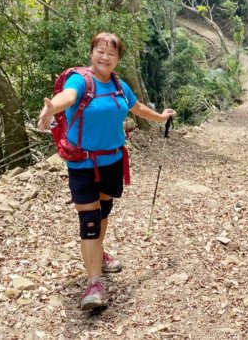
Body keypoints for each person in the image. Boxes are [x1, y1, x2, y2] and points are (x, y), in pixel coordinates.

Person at [37, 32, 176, 311]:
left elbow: (135, 107)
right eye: (100, 51)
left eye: (111, 53)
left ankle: (98, 254)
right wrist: (54, 107)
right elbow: (68, 96)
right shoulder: (81, 81)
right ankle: (94, 283)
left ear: (117, 59)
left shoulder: (119, 85)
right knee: (89, 220)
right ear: (91, 53)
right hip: (83, 164)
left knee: (103, 213)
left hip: (112, 162)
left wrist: (160, 117)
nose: (105, 56)